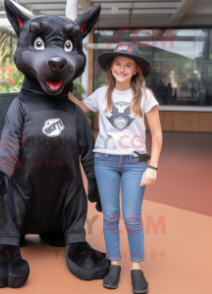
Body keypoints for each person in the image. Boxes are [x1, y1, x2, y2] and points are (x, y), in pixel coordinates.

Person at [68, 42, 162, 293]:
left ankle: (137, 268)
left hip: (135, 163)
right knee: (110, 216)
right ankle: (115, 263)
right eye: (117, 64)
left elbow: (158, 134)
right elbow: (78, 109)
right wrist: (61, 89)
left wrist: (152, 166)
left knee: (132, 217)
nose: (122, 68)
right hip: (105, 162)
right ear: (110, 68)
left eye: (128, 65)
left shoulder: (145, 96)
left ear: (135, 70)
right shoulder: (101, 94)